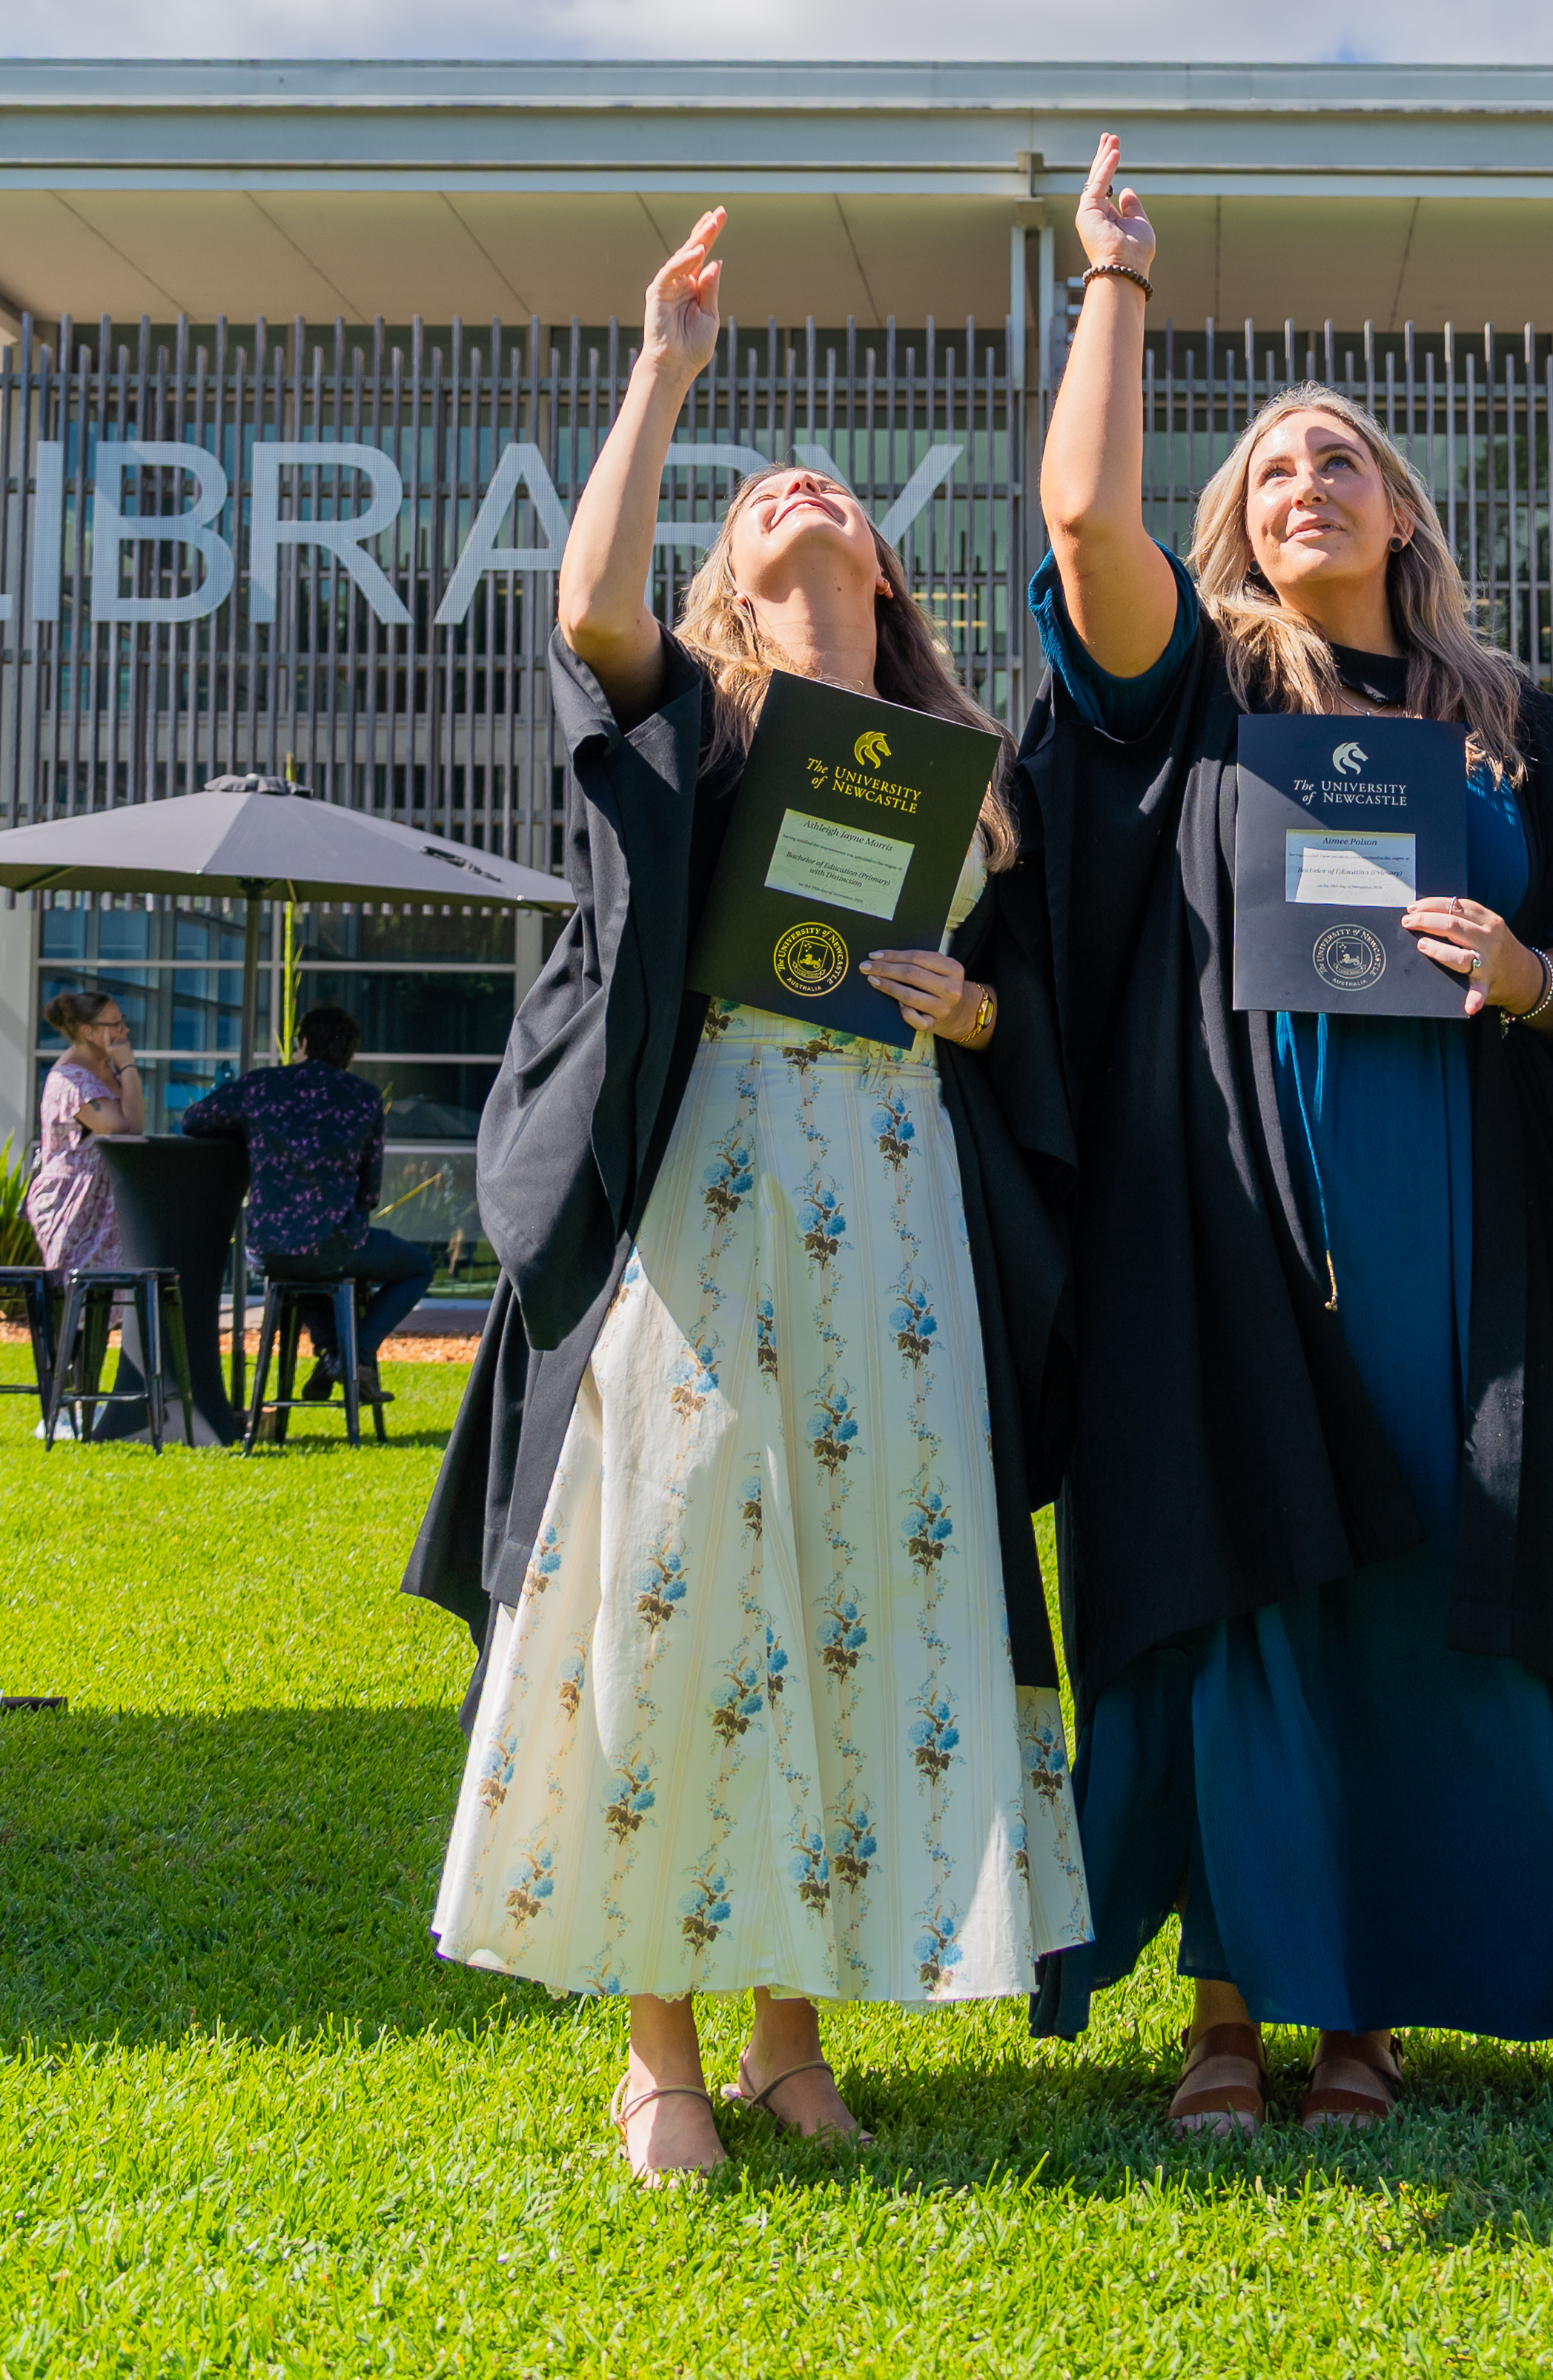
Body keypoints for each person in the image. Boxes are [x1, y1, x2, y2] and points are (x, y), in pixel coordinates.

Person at [1024, 135, 1553, 2138]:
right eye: (1268, 465)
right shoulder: (1193, 700)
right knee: (1255, 1571)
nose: (1301, 479)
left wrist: (1521, 973)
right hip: (1238, 1211)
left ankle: (1373, 2007)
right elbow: (1081, 516)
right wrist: (1119, 282)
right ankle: (1231, 2005)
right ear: (1235, 518)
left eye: (1337, 455)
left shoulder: (1510, 728)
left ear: (1399, 505)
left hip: (1458, 1224)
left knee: (1424, 1580)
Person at [405, 209, 1089, 2190]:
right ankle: (660, 2049)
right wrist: (664, 368)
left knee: (852, 1590)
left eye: (834, 490)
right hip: (706, 1193)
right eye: (759, 491)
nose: (800, 488)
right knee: (674, 1574)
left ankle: (795, 2032)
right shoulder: (697, 726)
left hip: (894, 1217)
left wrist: (972, 999)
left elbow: (1024, 1010)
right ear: (737, 572)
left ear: (879, 558)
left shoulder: (980, 773)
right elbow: (587, 600)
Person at [186, 1004, 435, 1402]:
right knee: (417, 1267)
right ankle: (357, 1353)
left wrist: (249, 1135)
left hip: (270, 1249)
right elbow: (369, 1193)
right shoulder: (365, 1098)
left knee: (309, 1269)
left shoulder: (261, 1087)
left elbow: (194, 1120)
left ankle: (333, 1354)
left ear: (302, 1043)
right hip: (334, 1244)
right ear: (350, 1054)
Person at [27, 989, 143, 1275]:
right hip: (71, 1202)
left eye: (123, 1021)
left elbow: (135, 1126)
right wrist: (128, 1065)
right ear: (88, 1031)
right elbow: (124, 1129)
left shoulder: (107, 1069)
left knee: (104, 1301)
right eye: (115, 1024)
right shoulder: (71, 1079)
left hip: (101, 1201)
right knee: (79, 1298)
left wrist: (123, 1068)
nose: (124, 1030)